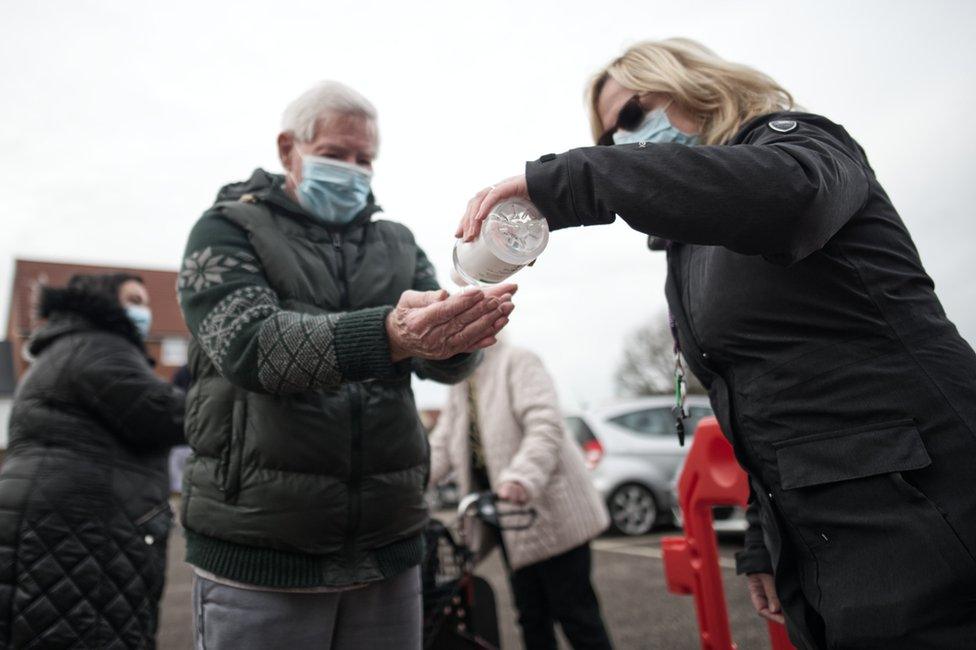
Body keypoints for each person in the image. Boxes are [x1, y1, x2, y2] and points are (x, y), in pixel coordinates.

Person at [457, 38, 976, 650]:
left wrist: (576, 178)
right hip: (819, 529)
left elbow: (786, 195)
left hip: (924, 505)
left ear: (697, 87)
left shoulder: (801, 144)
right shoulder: (688, 253)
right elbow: (752, 399)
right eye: (608, 141)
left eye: (632, 114)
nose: (625, 142)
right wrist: (762, 536)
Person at [177, 80, 515, 650]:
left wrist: (459, 333)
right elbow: (254, 347)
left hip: (389, 550)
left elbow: (446, 369)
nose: (354, 170)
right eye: (336, 155)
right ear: (289, 150)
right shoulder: (227, 229)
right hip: (264, 552)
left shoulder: (398, 243)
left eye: (365, 159)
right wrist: (391, 334)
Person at [0, 273, 186, 649]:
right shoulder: (99, 347)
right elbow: (167, 414)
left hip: (58, 527)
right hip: (77, 534)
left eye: (145, 302)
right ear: (104, 302)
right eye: (133, 300)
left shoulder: (66, 346)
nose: (144, 311)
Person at [429, 342, 613, 649]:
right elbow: (443, 442)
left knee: (577, 616)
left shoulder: (518, 361)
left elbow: (545, 424)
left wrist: (521, 477)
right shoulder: (460, 380)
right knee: (530, 617)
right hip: (508, 519)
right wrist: (412, 482)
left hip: (551, 511)